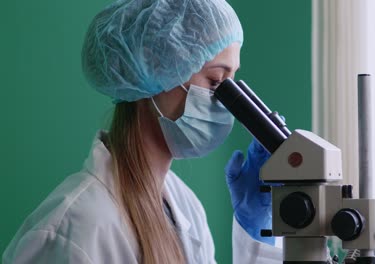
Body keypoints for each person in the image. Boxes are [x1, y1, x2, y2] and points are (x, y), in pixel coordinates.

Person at [2, 0, 287, 263]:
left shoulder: (184, 206)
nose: (227, 102)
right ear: (156, 70)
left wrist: (254, 230)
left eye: (232, 81)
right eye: (215, 81)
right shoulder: (74, 232)